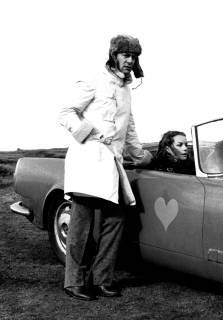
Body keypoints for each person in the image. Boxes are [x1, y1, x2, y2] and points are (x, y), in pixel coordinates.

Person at [58, 35, 152, 301]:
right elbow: (65, 112)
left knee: (116, 221)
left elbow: (128, 125)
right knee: (81, 227)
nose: (130, 61)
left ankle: (102, 278)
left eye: (134, 57)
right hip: (88, 159)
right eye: (125, 55)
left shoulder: (125, 88)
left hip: (113, 163)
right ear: (114, 55)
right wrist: (88, 132)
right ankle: (74, 281)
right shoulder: (93, 79)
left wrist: (140, 154)